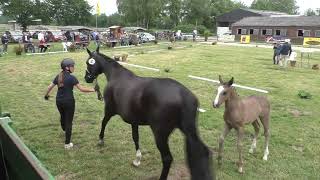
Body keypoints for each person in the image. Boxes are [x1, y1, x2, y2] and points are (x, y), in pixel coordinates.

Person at [44, 59, 96, 149]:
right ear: (67, 68)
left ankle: (65, 129)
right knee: (69, 122)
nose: (73, 67)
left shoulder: (58, 76)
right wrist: (93, 90)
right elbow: (82, 89)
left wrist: (46, 95)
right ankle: (67, 144)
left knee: (63, 116)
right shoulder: (72, 78)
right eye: (72, 66)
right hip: (69, 102)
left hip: (59, 101)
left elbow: (50, 86)